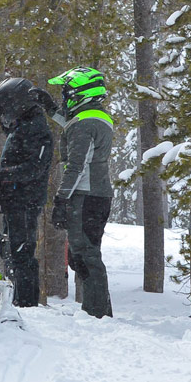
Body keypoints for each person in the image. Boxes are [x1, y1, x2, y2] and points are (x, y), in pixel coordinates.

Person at [49, 67, 115, 319]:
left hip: (85, 195)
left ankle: (97, 313)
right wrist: (51, 110)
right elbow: (73, 127)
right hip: (97, 194)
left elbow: (76, 165)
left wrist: (61, 198)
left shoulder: (85, 123)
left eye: (67, 92)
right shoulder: (96, 117)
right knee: (86, 254)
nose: (65, 97)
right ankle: (99, 309)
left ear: (79, 94)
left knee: (85, 255)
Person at [0, 78, 55, 307]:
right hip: (16, 198)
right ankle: (19, 299)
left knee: (22, 252)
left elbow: (35, 167)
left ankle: (27, 303)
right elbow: (7, 126)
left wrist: (3, 176)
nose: (5, 112)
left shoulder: (36, 127)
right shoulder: (24, 123)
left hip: (26, 200)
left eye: (6, 105)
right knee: (13, 251)